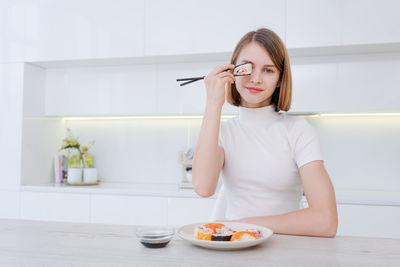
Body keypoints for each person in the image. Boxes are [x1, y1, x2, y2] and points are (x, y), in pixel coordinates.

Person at [192, 28, 338, 237]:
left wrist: (247, 225)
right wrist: (213, 103)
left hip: (283, 248)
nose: (256, 78)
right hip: (236, 248)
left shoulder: (299, 131)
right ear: (233, 71)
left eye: (268, 70)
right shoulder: (223, 132)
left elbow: (326, 221)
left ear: (280, 78)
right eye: (247, 68)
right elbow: (203, 187)